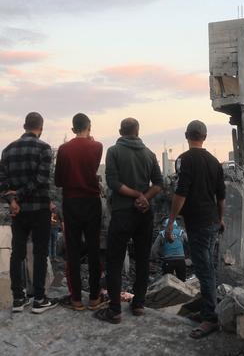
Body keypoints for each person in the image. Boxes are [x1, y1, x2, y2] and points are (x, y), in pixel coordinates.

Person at [94, 118, 163, 324]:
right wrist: (145, 197)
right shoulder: (149, 154)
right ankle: (139, 304)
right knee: (142, 259)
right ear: (138, 131)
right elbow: (158, 183)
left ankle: (115, 311)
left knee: (114, 261)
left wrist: (134, 195)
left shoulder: (114, 151)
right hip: (144, 214)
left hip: (122, 213)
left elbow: (114, 183)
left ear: (120, 131)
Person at [165, 120, 226, 339]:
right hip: (211, 221)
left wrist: (171, 221)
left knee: (204, 269)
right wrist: (220, 219)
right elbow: (221, 195)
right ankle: (208, 310)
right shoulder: (214, 162)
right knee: (207, 266)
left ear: (186, 135)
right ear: (205, 136)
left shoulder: (184, 160)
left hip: (198, 223)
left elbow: (181, 193)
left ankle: (210, 318)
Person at [0, 112, 58, 313]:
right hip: (39, 208)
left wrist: (12, 200)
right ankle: (39, 299)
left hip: (18, 211)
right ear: (40, 128)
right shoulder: (44, 148)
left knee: (17, 253)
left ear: (24, 126)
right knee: (41, 253)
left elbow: (2, 182)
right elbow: (41, 180)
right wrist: (21, 194)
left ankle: (18, 299)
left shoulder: (7, 150)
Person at [54, 113, 106, 311]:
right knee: (93, 249)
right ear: (89, 127)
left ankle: (76, 299)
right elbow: (92, 167)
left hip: (71, 203)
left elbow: (58, 180)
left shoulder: (64, 149)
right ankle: (94, 298)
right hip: (92, 202)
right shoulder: (97, 146)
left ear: (73, 128)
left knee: (73, 250)